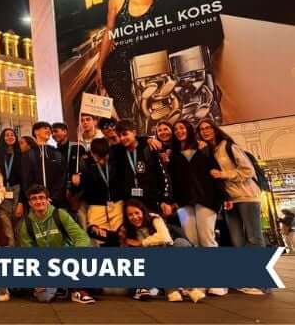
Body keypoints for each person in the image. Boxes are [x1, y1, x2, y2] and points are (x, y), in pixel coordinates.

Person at [198, 119, 265, 296]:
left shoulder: (228, 146)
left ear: (215, 129)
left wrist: (223, 174)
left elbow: (248, 171)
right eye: (202, 129)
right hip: (229, 200)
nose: (205, 131)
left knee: (254, 238)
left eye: (208, 128)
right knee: (237, 241)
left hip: (246, 196)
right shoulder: (209, 151)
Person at [95, 0, 158, 120]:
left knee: (149, 116)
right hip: (116, 69)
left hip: (148, 69)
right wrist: (99, 66)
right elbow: (109, 32)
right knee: (128, 119)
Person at [17, 185, 95, 304]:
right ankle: (65, 286)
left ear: (47, 200)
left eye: (41, 197)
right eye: (34, 199)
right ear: (29, 203)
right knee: (44, 297)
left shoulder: (60, 214)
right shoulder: (26, 225)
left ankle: (75, 288)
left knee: (90, 248)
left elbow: (81, 237)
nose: (38, 201)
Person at [120, 199, 203, 303]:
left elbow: (165, 237)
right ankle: (173, 289)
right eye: (130, 215)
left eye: (137, 213)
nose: (135, 217)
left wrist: (141, 243)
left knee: (180, 243)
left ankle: (184, 288)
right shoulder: (126, 230)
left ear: (143, 211)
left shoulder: (155, 218)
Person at [168, 120, 226, 248]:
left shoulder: (203, 148)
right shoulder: (173, 155)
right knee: (191, 240)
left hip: (206, 199)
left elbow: (214, 172)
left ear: (189, 129)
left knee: (207, 239)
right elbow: (172, 180)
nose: (179, 131)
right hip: (183, 203)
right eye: (176, 129)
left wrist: (223, 196)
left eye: (182, 128)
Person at [113, 120, 173, 218]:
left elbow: (163, 175)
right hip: (131, 203)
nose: (122, 138)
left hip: (151, 201)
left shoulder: (148, 148)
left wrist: (165, 200)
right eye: (119, 136)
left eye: (125, 134)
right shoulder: (118, 152)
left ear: (134, 133)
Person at [73, 138, 124, 247]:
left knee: (120, 236)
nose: (101, 160)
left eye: (104, 156)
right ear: (92, 153)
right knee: (96, 234)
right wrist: (76, 181)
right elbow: (82, 188)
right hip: (96, 207)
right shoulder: (85, 165)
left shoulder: (117, 161)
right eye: (97, 156)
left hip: (116, 205)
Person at [52, 122, 87, 226]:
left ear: (65, 132)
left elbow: (86, 169)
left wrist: (79, 174)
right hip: (61, 194)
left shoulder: (78, 147)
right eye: (52, 132)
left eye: (56, 131)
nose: (53, 134)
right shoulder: (55, 152)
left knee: (81, 222)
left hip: (77, 193)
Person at [25, 121, 66, 209]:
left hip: (55, 203)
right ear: (36, 132)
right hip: (36, 203)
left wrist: (52, 199)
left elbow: (62, 178)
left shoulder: (57, 153)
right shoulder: (28, 154)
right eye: (45, 128)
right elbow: (26, 180)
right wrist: (38, 198)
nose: (49, 131)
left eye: (49, 129)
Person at [0, 128, 25, 224]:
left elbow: (24, 180)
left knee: (19, 224)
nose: (10, 137)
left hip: (17, 191)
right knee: (5, 225)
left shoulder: (21, 154)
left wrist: (21, 202)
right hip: (2, 191)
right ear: (2, 138)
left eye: (12, 135)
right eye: (7, 135)